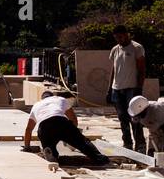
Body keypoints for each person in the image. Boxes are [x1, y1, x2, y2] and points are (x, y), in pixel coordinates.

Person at [23, 90, 109, 166]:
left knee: (49, 144)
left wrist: (27, 147)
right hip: (61, 122)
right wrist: (73, 134)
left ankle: (51, 153)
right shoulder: (59, 99)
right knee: (83, 143)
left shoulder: (36, 105)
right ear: (52, 96)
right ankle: (99, 158)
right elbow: (73, 118)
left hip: (45, 127)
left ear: (42, 99)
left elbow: (28, 129)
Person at [108, 24, 147, 152]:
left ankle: (140, 145)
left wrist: (139, 88)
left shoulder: (137, 48)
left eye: (121, 37)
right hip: (117, 89)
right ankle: (127, 143)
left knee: (135, 118)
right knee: (122, 118)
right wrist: (109, 89)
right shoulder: (115, 49)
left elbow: (142, 70)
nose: (119, 40)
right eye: (116, 38)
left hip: (132, 88)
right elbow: (113, 70)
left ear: (126, 34)